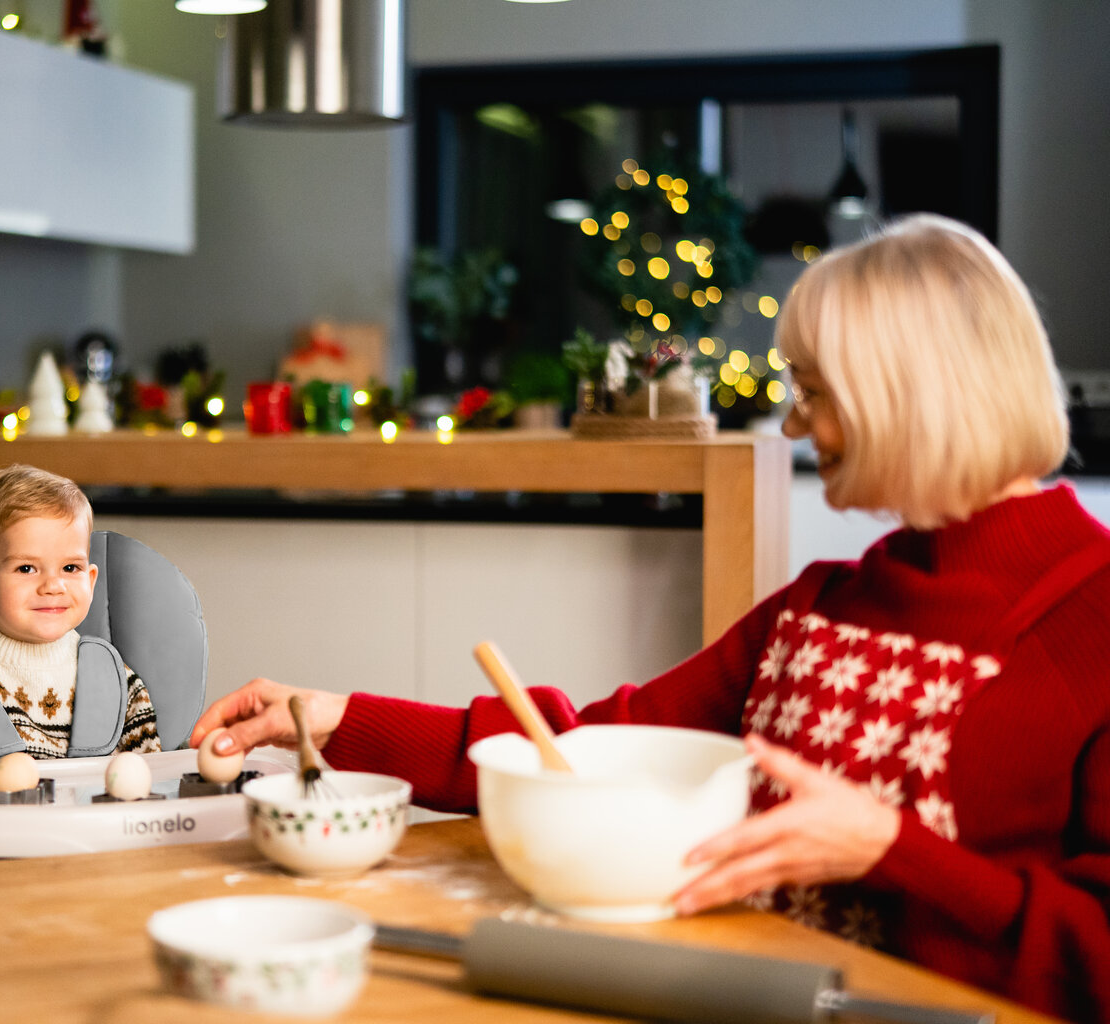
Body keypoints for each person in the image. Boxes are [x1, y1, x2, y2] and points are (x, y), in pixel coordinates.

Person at [191, 214, 1110, 1021]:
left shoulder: (1092, 615)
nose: (793, 427)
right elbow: (582, 750)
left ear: (908, 395)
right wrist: (338, 718)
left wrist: (890, 851)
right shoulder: (820, 604)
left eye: (816, 394)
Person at [0, 464, 160, 759]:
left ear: (91, 580)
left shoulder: (115, 681)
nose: (53, 586)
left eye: (70, 568)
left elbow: (147, 777)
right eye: (26, 568)